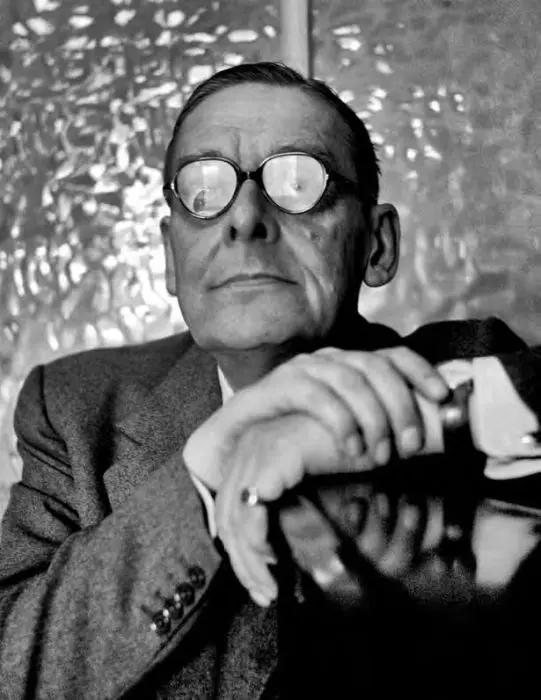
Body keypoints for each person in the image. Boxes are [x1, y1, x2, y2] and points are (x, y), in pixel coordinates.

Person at [0, 61, 540, 699]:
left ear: (377, 245)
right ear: (171, 256)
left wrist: (412, 417)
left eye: (298, 181)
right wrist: (200, 481)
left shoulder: (469, 368)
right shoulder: (75, 409)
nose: (245, 218)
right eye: (204, 191)